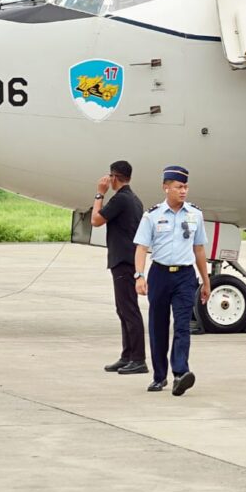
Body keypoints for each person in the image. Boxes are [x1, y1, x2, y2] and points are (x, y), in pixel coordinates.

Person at [133, 165, 211, 396]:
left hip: (185, 276)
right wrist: (140, 275)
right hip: (160, 274)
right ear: (166, 188)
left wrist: (206, 282)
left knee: (182, 325)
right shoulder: (152, 215)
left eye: (186, 187)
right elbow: (141, 248)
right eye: (179, 187)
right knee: (158, 326)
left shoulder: (195, 214)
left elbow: (199, 249)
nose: (183, 191)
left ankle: (180, 373)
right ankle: (159, 376)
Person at [92, 160, 148, 376]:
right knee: (124, 309)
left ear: (114, 177)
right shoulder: (134, 199)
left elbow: (96, 220)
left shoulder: (121, 199)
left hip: (123, 260)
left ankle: (138, 359)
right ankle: (127, 355)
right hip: (128, 259)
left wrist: (99, 194)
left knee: (129, 310)